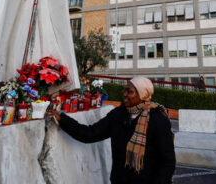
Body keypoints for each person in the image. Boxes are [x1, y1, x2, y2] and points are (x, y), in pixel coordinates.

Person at [47, 77, 175, 184]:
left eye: (130, 92)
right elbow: (90, 134)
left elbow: (167, 161)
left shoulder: (157, 119)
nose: (124, 94)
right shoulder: (118, 115)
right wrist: (63, 119)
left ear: (143, 95)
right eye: (125, 90)